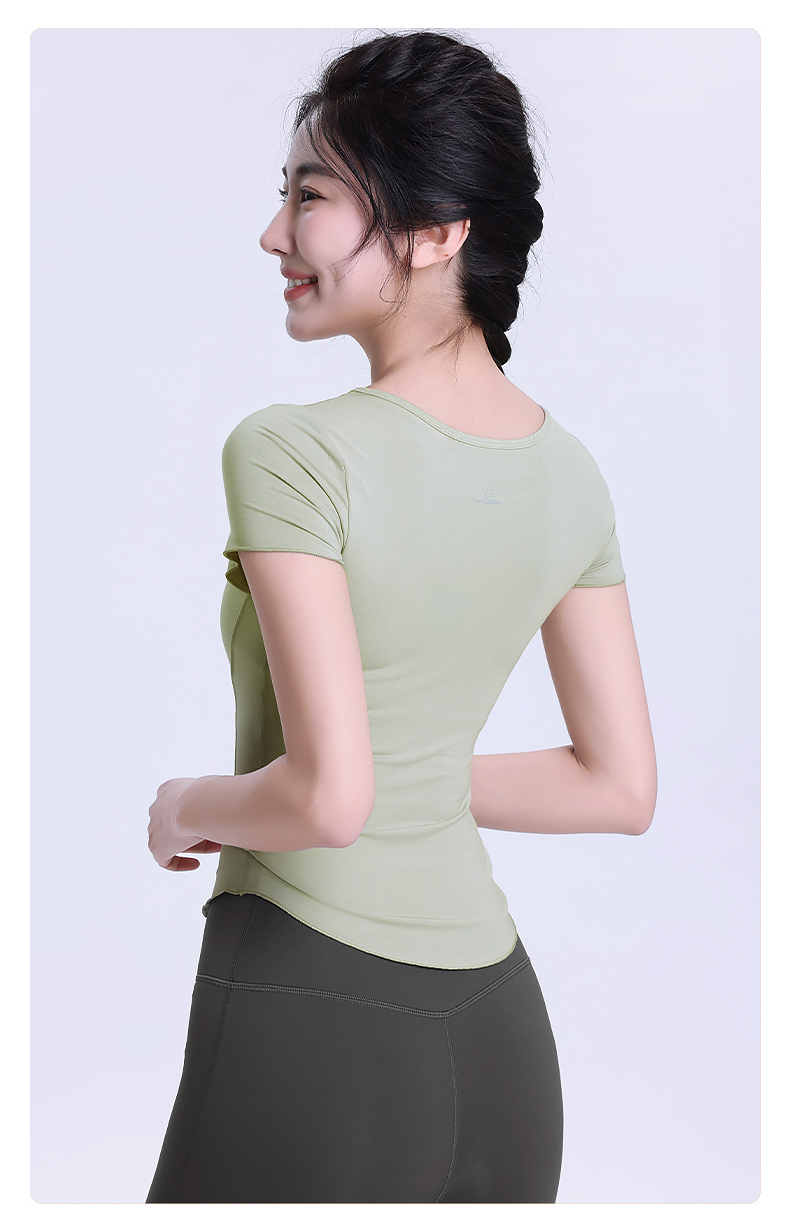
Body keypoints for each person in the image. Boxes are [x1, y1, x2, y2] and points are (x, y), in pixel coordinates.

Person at [145, 29, 657, 1205]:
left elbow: (326, 803)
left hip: (312, 1012)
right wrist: (405, 772)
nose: (274, 234)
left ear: (435, 233)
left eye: (310, 197)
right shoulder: (569, 473)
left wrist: (187, 806)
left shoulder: (293, 451)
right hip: (504, 1044)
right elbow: (617, 787)